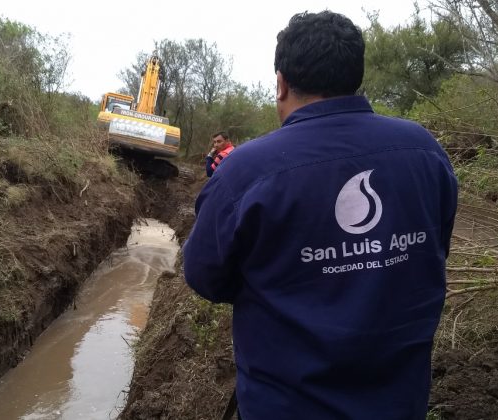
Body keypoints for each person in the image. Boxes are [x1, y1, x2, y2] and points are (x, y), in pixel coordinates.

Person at [183, 10, 458, 420]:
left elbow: (205, 276)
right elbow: (434, 249)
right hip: (399, 403)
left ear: (281, 83)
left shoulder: (245, 172)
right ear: (355, 75)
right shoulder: (424, 152)